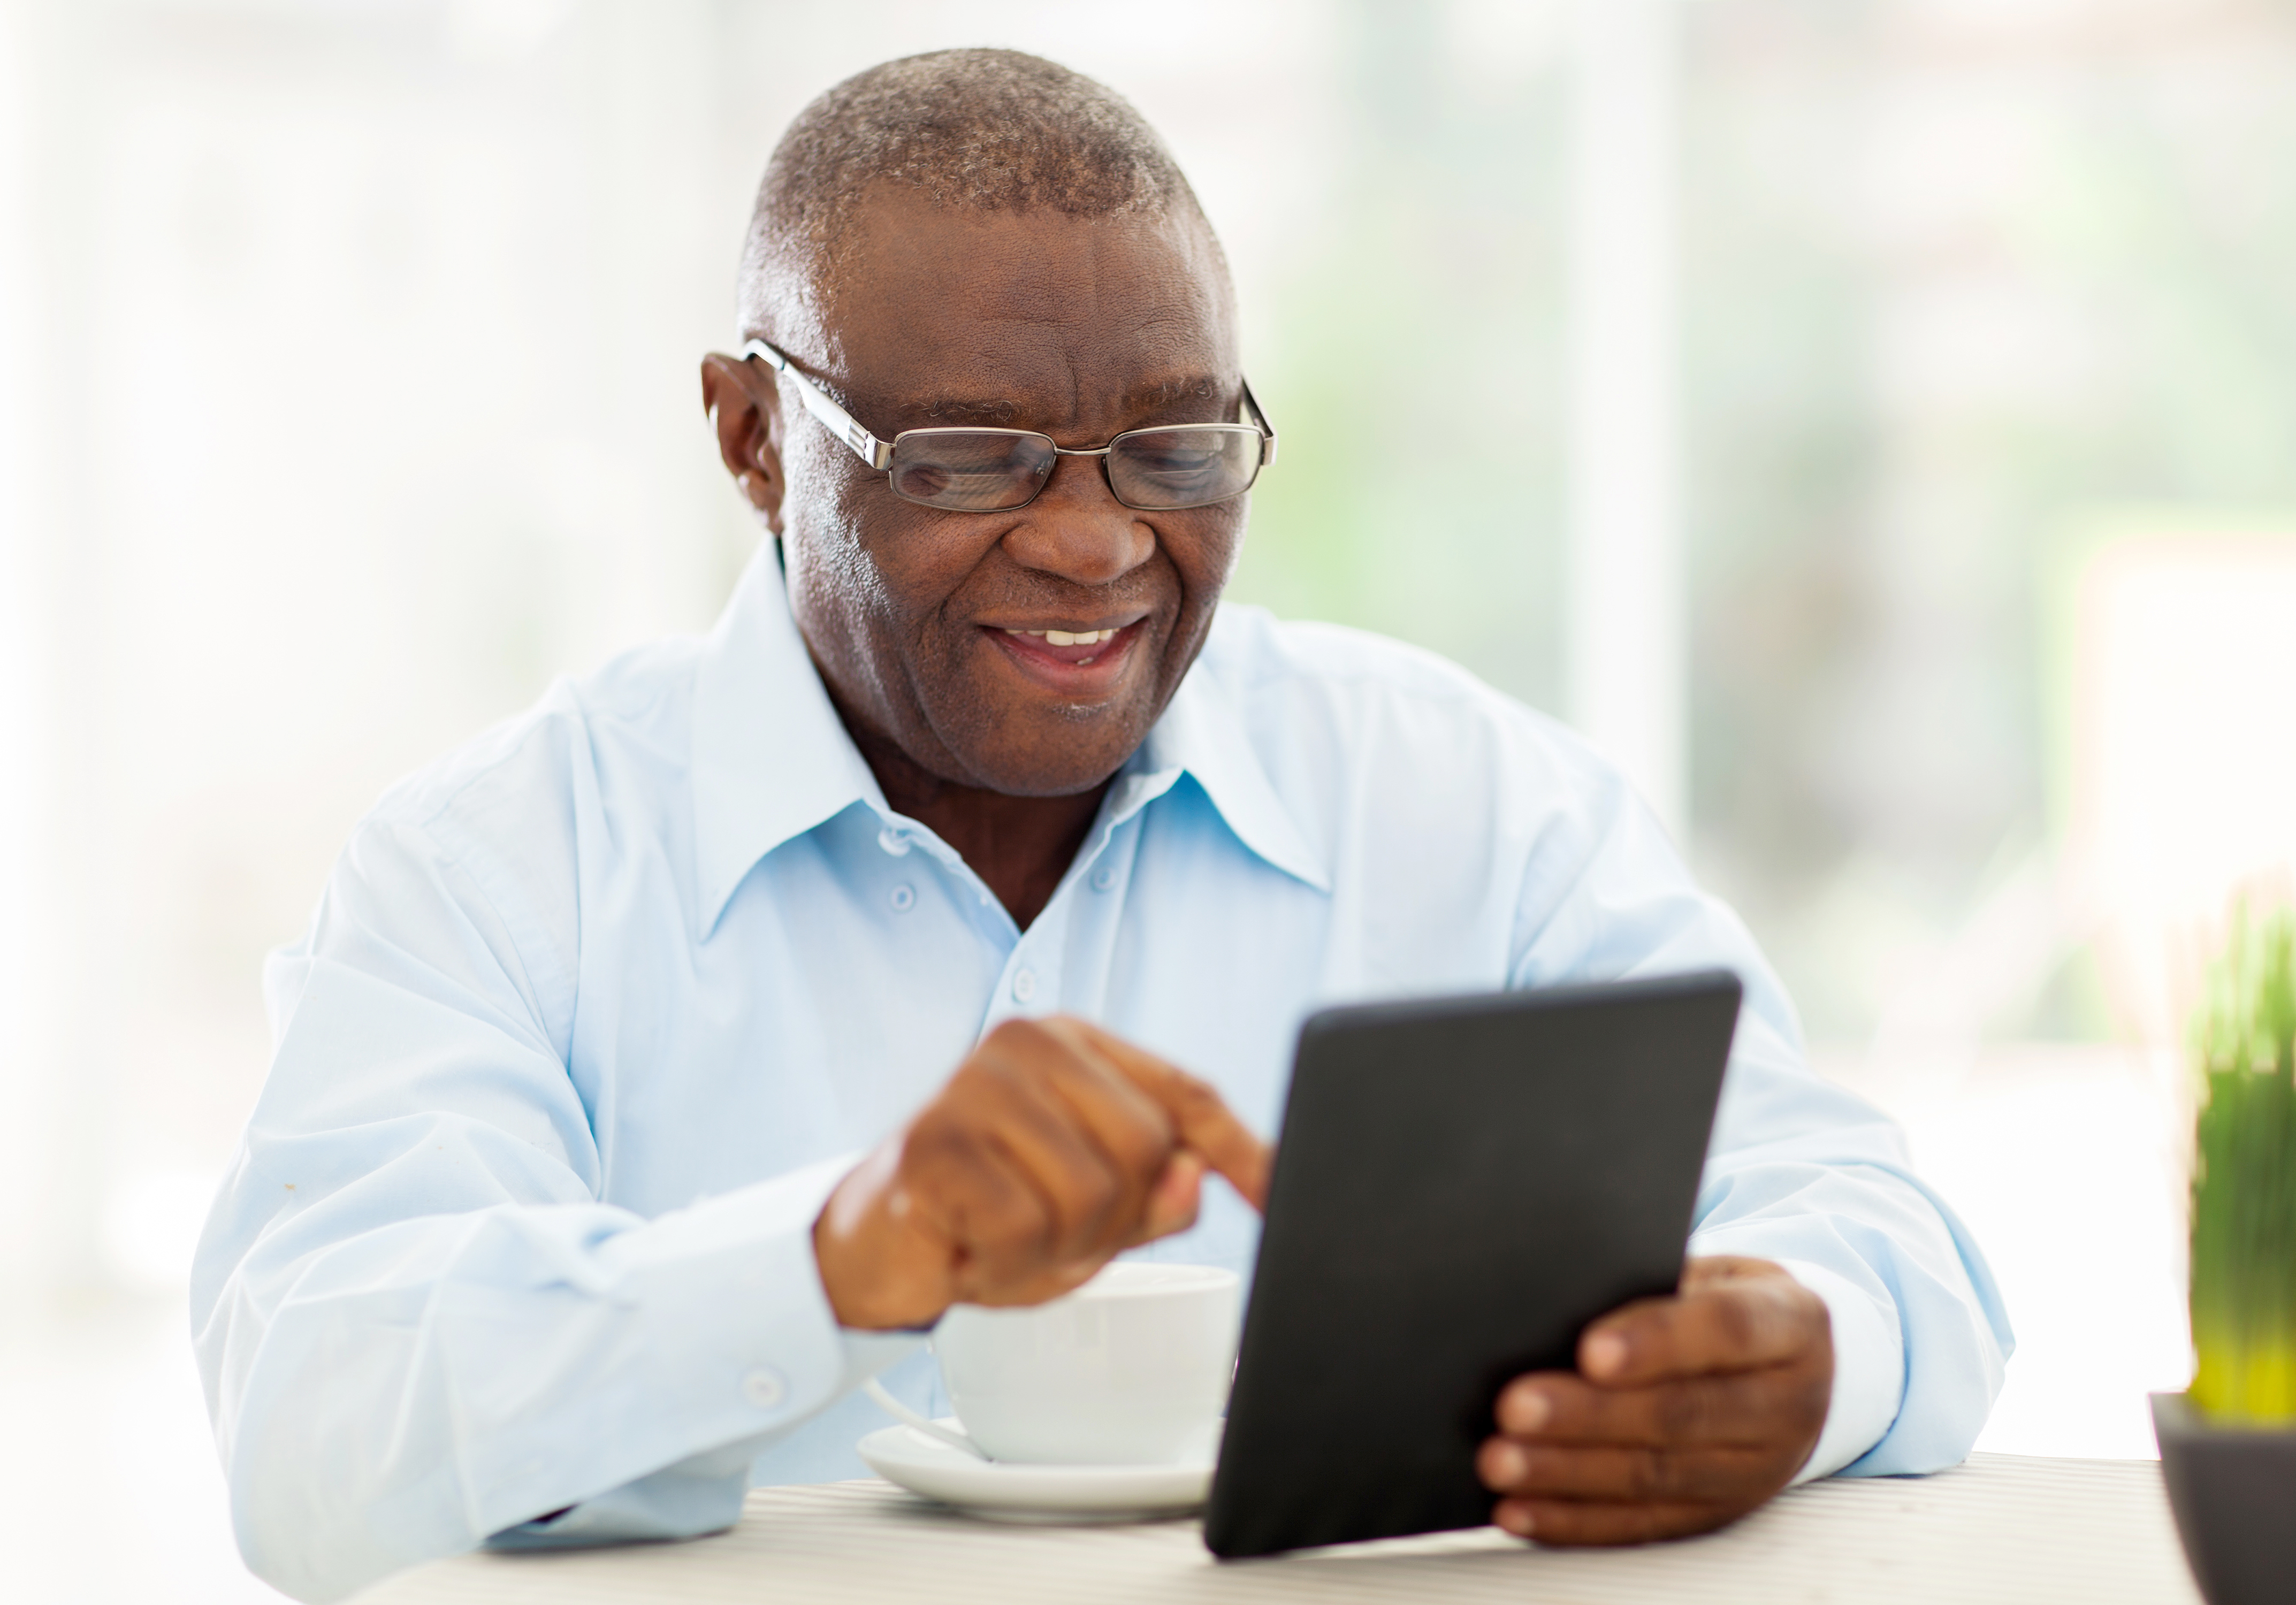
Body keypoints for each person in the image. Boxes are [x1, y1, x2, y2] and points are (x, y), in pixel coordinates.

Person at [192, 48, 2009, 1604]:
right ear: (751, 438)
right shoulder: (503, 866)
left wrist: (1800, 1352)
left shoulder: (1465, 804)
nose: (1095, 542)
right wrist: (834, 1257)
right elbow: (314, 1427)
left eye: (1178, 446)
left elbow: (1876, 1223)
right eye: (967, 457)